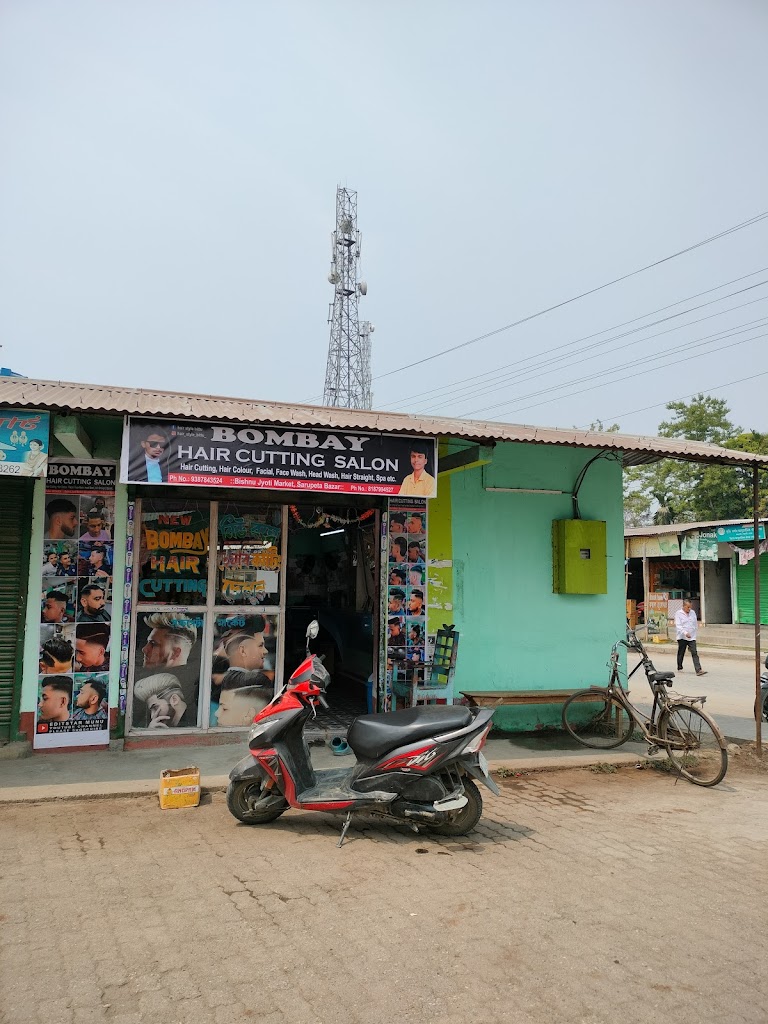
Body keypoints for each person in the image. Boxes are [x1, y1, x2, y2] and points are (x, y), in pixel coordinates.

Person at [675, 599, 707, 676]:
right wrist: (685, 633)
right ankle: (679, 666)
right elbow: (678, 626)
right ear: (684, 606)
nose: (689, 609)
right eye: (688, 607)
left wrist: (694, 633)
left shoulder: (693, 613)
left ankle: (698, 670)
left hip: (692, 637)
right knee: (681, 652)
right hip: (682, 636)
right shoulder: (678, 613)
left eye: (690, 607)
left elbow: (695, 624)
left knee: (694, 652)